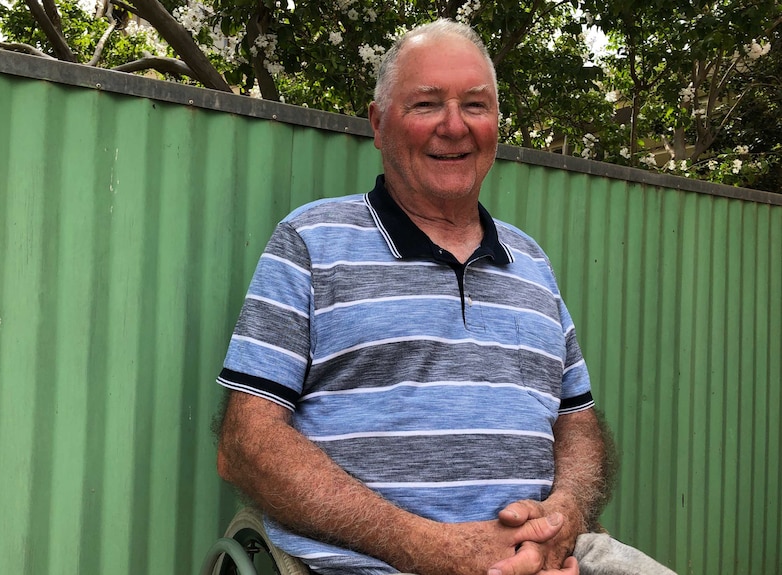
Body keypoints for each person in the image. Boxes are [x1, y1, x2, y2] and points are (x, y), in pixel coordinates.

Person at [216, 19, 669, 575]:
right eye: (427, 104)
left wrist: (563, 519)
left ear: (496, 125)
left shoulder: (531, 263)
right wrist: (430, 548)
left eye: (475, 106)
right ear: (379, 125)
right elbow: (245, 442)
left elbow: (576, 423)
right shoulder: (312, 243)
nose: (454, 127)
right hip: (374, 564)